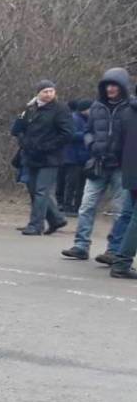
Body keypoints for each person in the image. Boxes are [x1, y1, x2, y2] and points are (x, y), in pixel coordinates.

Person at [63, 68, 132, 262]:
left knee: (120, 210)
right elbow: (87, 130)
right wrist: (91, 143)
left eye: (114, 85)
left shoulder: (131, 108)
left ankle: (113, 249)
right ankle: (81, 245)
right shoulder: (96, 107)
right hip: (98, 163)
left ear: (122, 87)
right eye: (107, 85)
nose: (110, 89)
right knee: (86, 206)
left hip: (121, 165)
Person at [12, 80, 74, 235]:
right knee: (34, 190)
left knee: (41, 190)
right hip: (31, 155)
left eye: (51, 91)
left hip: (50, 157)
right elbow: (17, 129)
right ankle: (57, 219)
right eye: (45, 91)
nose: (49, 94)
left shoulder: (60, 109)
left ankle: (36, 225)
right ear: (38, 92)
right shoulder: (30, 109)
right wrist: (23, 140)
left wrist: (48, 146)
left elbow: (67, 133)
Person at [109, 92, 137, 278]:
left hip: (130, 171)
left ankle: (117, 254)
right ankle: (121, 262)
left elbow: (116, 145)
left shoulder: (126, 111)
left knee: (128, 214)